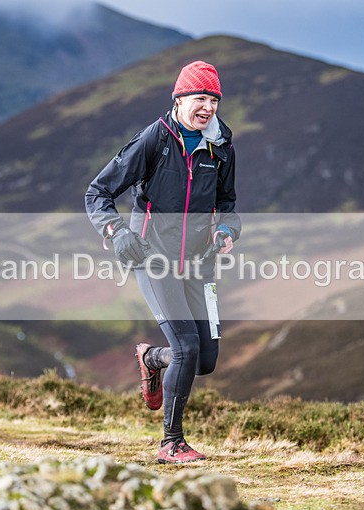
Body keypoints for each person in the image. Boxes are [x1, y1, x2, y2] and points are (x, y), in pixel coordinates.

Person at [85, 60, 240, 464]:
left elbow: (227, 203)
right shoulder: (155, 139)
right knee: (186, 349)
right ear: (179, 99)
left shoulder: (221, 146)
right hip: (153, 258)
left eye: (213, 100)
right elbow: (97, 192)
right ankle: (171, 443)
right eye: (199, 98)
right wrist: (117, 232)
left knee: (204, 361)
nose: (207, 107)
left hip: (198, 264)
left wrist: (226, 230)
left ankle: (152, 358)